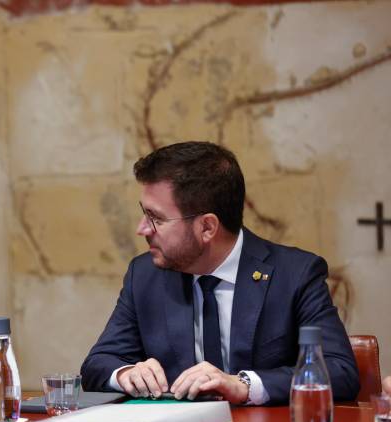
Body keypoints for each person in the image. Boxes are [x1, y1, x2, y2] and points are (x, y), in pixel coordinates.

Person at [81, 141, 358, 405]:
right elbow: (99, 363)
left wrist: (245, 385)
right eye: (145, 214)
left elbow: (339, 371)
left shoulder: (295, 275)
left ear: (207, 228)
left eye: (157, 218)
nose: (143, 229)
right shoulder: (145, 275)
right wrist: (127, 373)